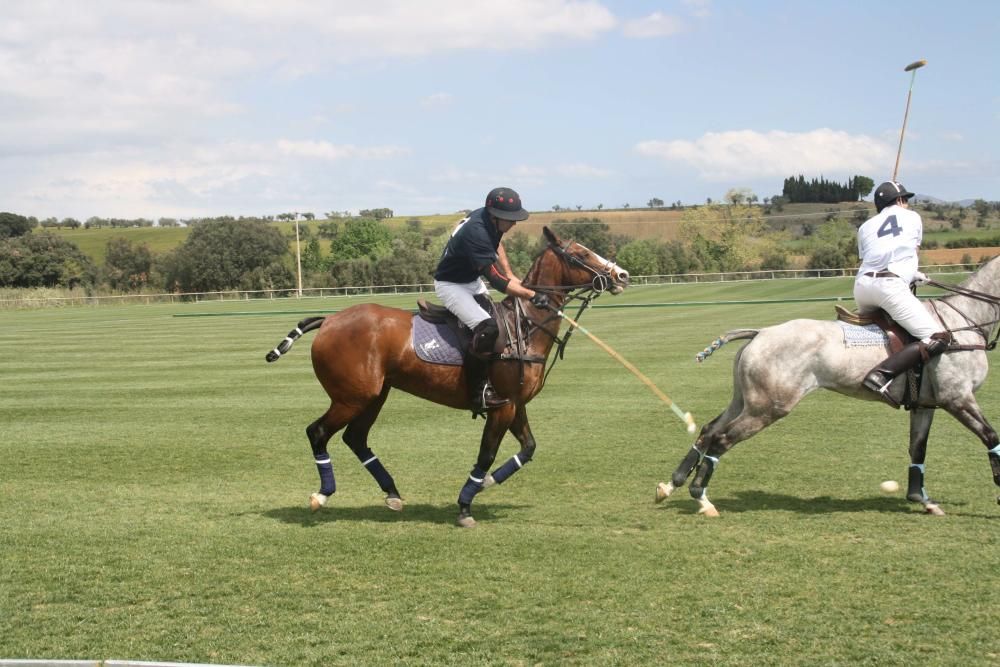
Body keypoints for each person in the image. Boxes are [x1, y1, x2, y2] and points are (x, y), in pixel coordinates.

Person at [434, 187, 548, 413]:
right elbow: (497, 282)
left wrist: (511, 273)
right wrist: (532, 295)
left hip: (470, 281)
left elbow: (497, 244)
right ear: (495, 216)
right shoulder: (476, 232)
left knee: (502, 322)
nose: (514, 223)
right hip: (452, 286)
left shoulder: (488, 219)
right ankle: (478, 393)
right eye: (510, 219)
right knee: (487, 328)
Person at [854, 180, 951, 407]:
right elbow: (910, 251)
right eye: (905, 199)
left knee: (890, 327)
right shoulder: (913, 217)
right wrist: (910, 272)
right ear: (899, 200)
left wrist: (913, 274)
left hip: (862, 288)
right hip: (890, 287)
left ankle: (910, 382)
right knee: (938, 337)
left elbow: (877, 257)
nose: (907, 203)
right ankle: (882, 375)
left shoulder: (865, 227)